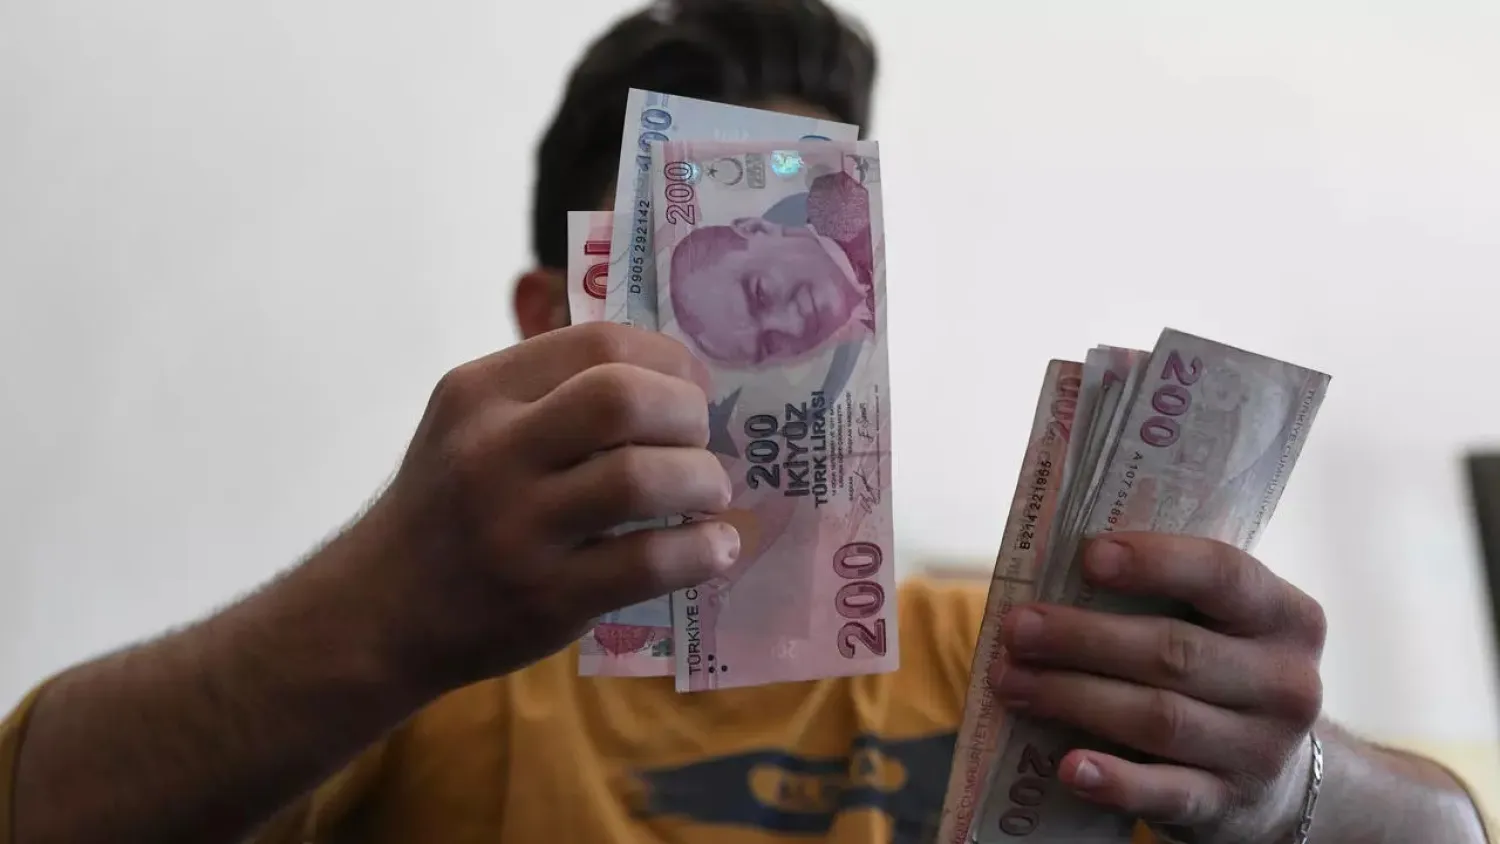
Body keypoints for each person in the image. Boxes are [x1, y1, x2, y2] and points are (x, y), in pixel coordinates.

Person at [0, 2, 1491, 843]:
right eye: (719, 275)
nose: (793, 338)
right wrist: (386, 616)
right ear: (556, 318)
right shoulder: (424, 679)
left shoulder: (1012, 650)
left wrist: (1293, 790)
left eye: (830, 266)